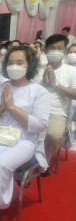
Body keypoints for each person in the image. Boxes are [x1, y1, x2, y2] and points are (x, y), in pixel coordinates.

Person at [0, 45, 49, 221]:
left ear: (30, 65)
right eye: (10, 62)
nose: (14, 66)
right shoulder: (0, 88)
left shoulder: (38, 91)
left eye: (20, 62)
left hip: (24, 141)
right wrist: (1, 106)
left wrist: (12, 108)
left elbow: (40, 125)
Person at [41, 34, 76, 168]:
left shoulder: (72, 70)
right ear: (45, 51)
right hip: (34, 109)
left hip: (57, 112)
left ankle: (43, 163)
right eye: (52, 48)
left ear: (65, 51)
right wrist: (44, 82)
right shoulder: (38, 68)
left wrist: (55, 85)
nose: (55, 52)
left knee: (54, 135)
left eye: (59, 48)